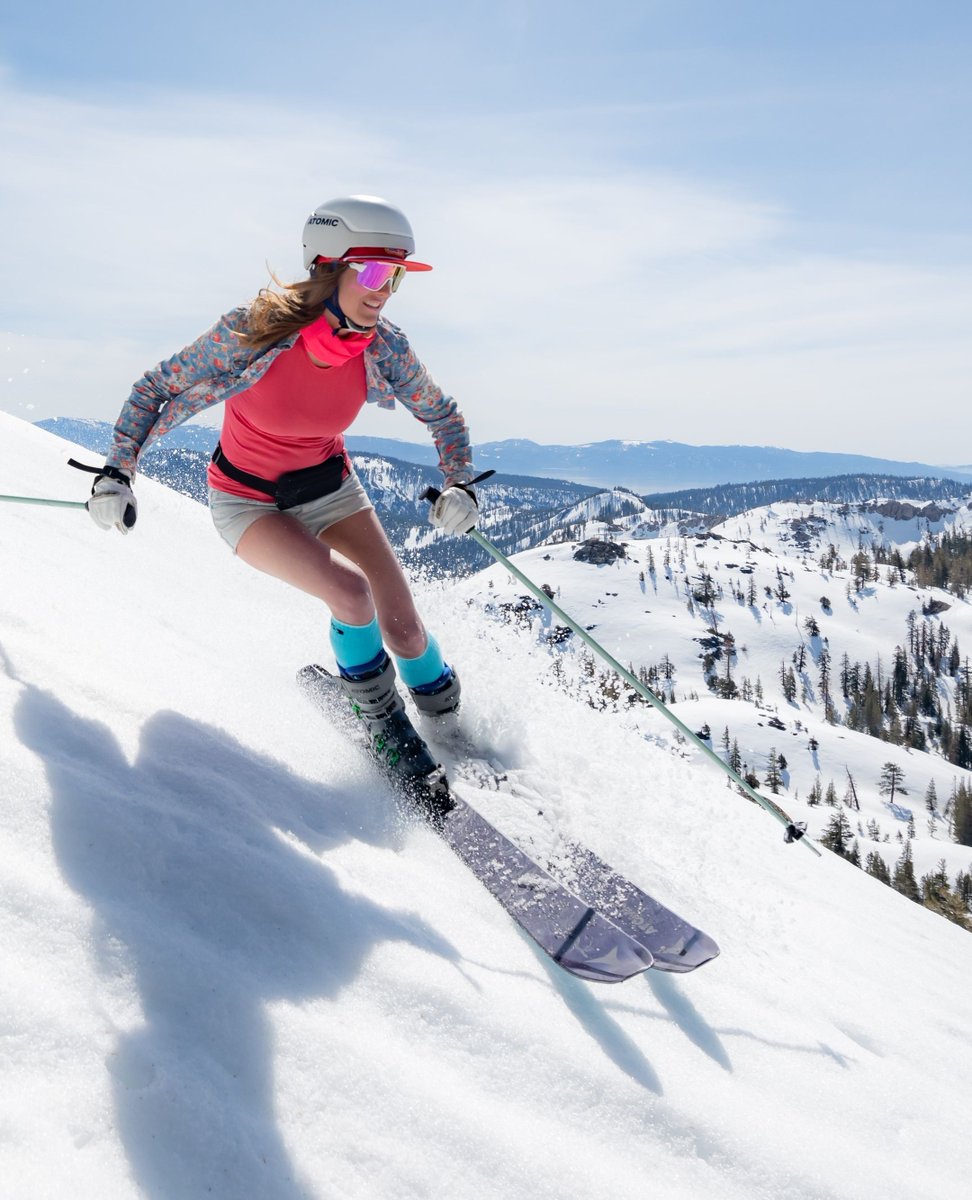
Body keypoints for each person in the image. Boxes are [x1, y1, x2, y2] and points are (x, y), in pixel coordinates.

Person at [78, 195, 481, 782]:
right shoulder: (253, 330)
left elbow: (442, 415)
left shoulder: (382, 346)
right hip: (248, 501)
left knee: (405, 629)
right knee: (351, 594)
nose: (385, 289)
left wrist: (460, 484)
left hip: (331, 489)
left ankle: (449, 727)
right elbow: (154, 387)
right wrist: (117, 471)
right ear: (328, 264)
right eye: (372, 270)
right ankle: (384, 729)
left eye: (395, 275)